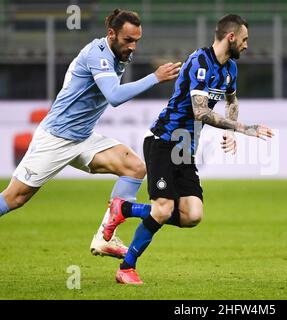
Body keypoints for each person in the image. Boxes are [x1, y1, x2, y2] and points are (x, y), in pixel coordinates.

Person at [102, 14, 274, 284]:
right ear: (231, 37)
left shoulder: (230, 68)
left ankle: (123, 209)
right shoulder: (199, 62)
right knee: (162, 208)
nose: (247, 45)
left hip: (185, 148)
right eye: (244, 39)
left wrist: (229, 130)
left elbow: (231, 99)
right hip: (163, 140)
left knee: (193, 214)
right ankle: (126, 268)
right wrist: (244, 128)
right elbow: (200, 112)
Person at [0, 9, 181, 259]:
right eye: (128, 40)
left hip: (83, 138)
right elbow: (115, 96)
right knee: (15, 198)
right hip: (56, 137)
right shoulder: (97, 54)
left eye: (137, 40)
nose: (133, 46)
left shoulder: (120, 53)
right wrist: (154, 77)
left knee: (134, 167)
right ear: (111, 34)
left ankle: (105, 237)